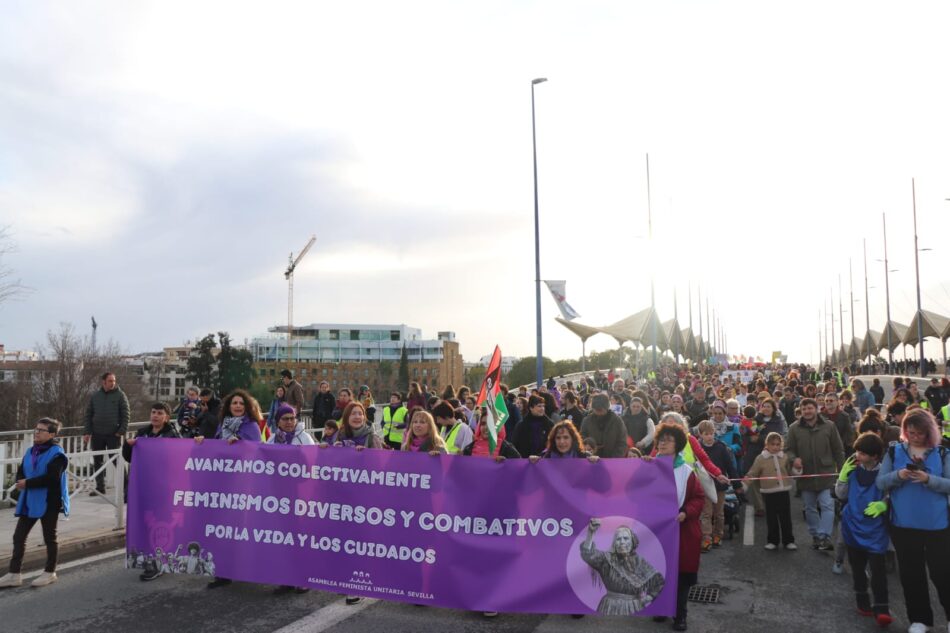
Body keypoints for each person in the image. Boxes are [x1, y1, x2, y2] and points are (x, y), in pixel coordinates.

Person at [876, 408, 950, 633]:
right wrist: (899, 476)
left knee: (943, 573)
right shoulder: (893, 452)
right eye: (910, 432)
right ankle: (920, 619)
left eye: (919, 433)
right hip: (903, 524)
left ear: (929, 432)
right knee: (911, 573)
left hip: (937, 524)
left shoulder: (943, 453)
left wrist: (928, 479)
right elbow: (881, 483)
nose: (914, 436)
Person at [195, 390, 263, 589]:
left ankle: (245, 567)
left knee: (241, 528)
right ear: (228, 406)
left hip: (243, 484)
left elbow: (256, 451)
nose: (238, 406)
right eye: (234, 403)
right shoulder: (222, 424)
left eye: (242, 403)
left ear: (247, 406)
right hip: (222, 484)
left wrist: (240, 445)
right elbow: (215, 449)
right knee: (222, 529)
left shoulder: (251, 426)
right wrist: (202, 442)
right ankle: (222, 572)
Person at [0, 418, 69, 589]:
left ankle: (50, 572)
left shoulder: (58, 454)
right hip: (29, 500)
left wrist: (28, 483)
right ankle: (14, 574)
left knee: (49, 537)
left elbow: (53, 478)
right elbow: (21, 472)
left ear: (52, 434)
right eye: (36, 429)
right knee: (19, 536)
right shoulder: (31, 451)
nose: (36, 432)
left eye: (41, 430)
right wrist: (20, 481)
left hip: (49, 500)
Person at [835, 432, 893, 628]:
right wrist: (842, 476)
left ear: (875, 456)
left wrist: (884, 504)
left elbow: (891, 494)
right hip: (852, 526)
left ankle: (882, 608)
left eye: (863, 453)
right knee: (858, 568)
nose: (858, 455)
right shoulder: (852, 470)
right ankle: (862, 602)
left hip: (875, 529)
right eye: (857, 451)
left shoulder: (885, 473)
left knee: (878, 570)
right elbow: (841, 495)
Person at [651, 422, 705, 631]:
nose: (663, 443)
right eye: (661, 439)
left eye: (668, 440)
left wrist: (686, 512)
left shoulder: (686, 471)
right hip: (656, 530)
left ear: (678, 444)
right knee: (657, 571)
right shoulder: (648, 466)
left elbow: (698, 498)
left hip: (681, 530)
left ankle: (679, 614)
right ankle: (660, 608)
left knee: (681, 576)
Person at [785, 397, 845, 550]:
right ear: (801, 411)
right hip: (806, 475)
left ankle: (824, 536)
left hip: (826, 474)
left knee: (827, 505)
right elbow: (788, 449)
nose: (807, 411)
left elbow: (838, 449)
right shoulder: (794, 428)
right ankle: (816, 536)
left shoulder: (829, 426)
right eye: (804, 409)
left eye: (810, 408)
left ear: (817, 409)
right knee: (810, 508)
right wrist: (794, 459)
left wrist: (842, 470)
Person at [580, 519, 665, 615]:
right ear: (614, 543)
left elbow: (659, 582)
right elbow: (588, 555)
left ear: (632, 541)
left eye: (625, 538)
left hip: (634, 606)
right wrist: (590, 533)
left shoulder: (640, 562)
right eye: (618, 539)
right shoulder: (606, 559)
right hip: (609, 606)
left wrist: (648, 598)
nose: (622, 542)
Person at [744, 432, 799, 550]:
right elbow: (753, 473)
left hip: (783, 491)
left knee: (786, 517)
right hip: (769, 493)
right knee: (771, 518)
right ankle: (772, 541)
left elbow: (790, 472)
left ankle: (788, 540)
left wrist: (797, 469)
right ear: (767, 444)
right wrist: (743, 484)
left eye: (778, 444)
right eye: (772, 444)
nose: (775, 447)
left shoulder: (784, 457)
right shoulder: (760, 458)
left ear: (781, 445)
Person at [82, 372, 131, 495]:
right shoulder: (95, 396)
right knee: (97, 460)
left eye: (114, 381)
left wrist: (121, 431)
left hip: (113, 434)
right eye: (110, 381)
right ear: (103, 382)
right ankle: (100, 487)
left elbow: (126, 414)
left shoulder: (120, 395)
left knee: (116, 460)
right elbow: (88, 415)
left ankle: (127, 487)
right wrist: (87, 432)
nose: (113, 383)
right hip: (97, 433)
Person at [696, 420, 737, 552]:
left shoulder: (721, 447)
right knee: (706, 513)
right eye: (706, 434)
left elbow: (729, 465)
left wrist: (736, 482)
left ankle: (718, 535)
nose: (709, 436)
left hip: (719, 485)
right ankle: (706, 537)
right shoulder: (697, 448)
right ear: (700, 435)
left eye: (711, 433)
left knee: (719, 512)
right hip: (704, 486)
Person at [123, 403, 181, 467]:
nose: (155, 415)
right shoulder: (142, 433)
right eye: (153, 412)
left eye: (159, 413)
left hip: (163, 473)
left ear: (167, 417)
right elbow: (130, 458)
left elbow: (180, 458)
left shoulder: (174, 435)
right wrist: (127, 445)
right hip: (144, 472)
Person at [580, 393, 628, 458]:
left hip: (612, 460)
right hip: (592, 459)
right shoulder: (587, 421)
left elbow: (622, 442)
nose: (599, 413)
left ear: (607, 408)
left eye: (601, 410)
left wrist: (614, 458)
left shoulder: (617, 421)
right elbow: (582, 438)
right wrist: (589, 450)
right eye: (596, 410)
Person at [529, 421, 599, 462]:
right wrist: (531, 465)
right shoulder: (545, 457)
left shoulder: (585, 457)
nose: (562, 441)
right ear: (554, 440)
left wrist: (599, 467)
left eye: (566, 437)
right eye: (558, 438)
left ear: (573, 439)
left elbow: (605, 485)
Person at [512, 395, 555, 459]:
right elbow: (515, 445)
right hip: (526, 462)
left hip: (545, 462)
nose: (542, 408)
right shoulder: (521, 425)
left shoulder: (550, 424)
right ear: (531, 408)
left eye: (543, 406)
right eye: (539, 406)